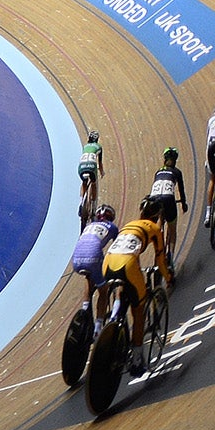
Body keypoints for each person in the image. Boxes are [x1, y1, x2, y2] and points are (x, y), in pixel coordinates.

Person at [100, 214, 173, 359]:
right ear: (155, 218)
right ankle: (137, 359)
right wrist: (168, 277)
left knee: (122, 287)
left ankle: (115, 315)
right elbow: (160, 261)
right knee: (139, 311)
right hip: (127, 265)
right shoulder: (155, 228)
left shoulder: (130, 224)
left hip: (107, 262)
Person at [71, 204, 120, 303]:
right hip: (93, 257)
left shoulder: (89, 226)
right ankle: (100, 319)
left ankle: (85, 309)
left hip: (76, 260)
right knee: (103, 291)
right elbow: (117, 249)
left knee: (89, 277)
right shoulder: (112, 227)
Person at [146, 148, 186, 256]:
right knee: (172, 229)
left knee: (159, 222)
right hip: (168, 198)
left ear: (164, 159)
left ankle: (158, 245)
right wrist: (184, 204)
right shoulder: (177, 172)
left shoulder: (158, 172)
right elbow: (181, 190)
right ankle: (171, 257)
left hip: (154, 199)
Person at [78, 129, 104, 218]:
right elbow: (99, 163)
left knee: (84, 183)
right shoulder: (99, 147)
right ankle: (93, 207)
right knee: (93, 184)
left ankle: (81, 202)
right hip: (92, 166)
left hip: (81, 167)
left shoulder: (85, 147)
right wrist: (102, 172)